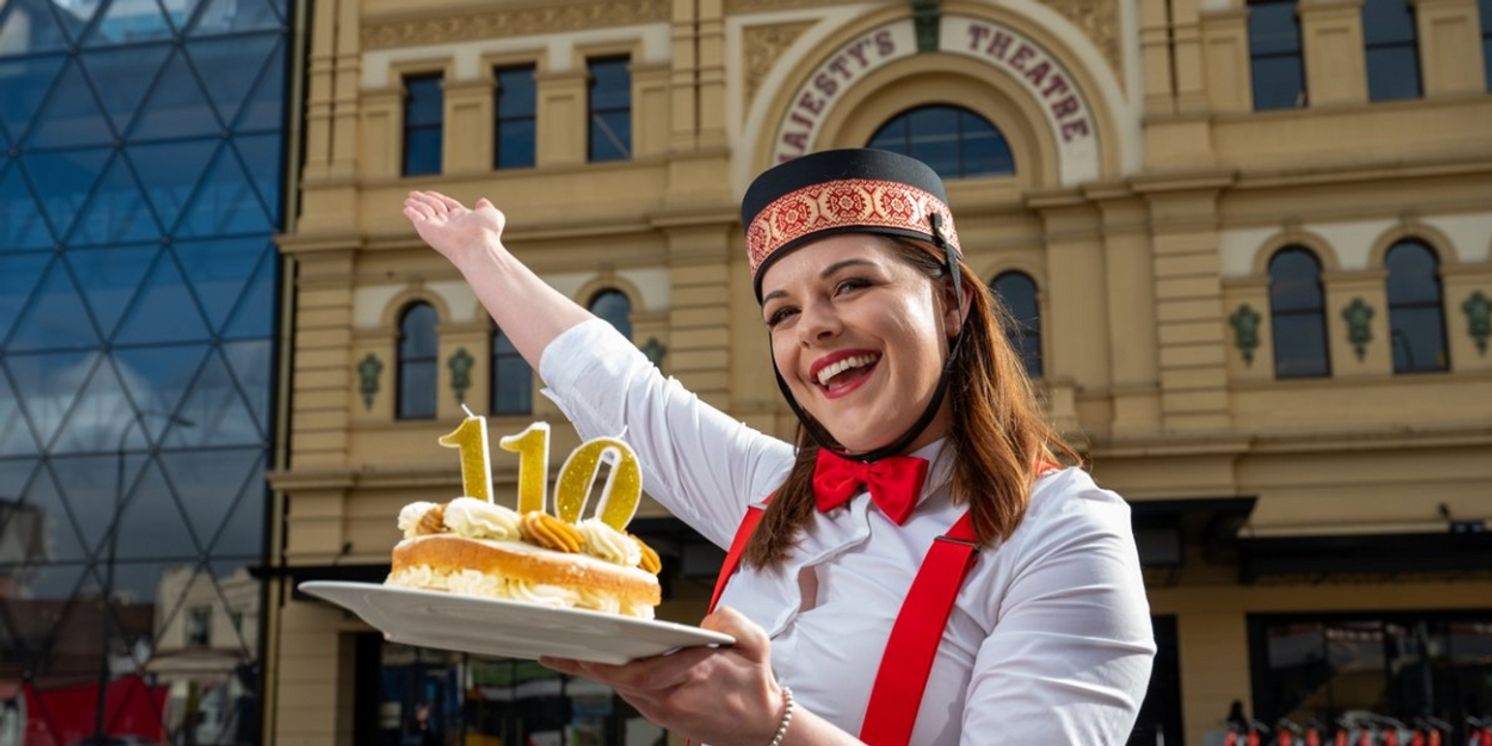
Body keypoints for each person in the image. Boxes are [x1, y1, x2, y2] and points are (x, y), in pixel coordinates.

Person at [401, 149, 1155, 745]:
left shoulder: (1065, 533)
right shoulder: (772, 488)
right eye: (781, 311)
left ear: (953, 302)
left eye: (852, 285)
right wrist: (481, 256)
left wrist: (773, 729)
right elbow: (619, 391)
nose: (812, 327)